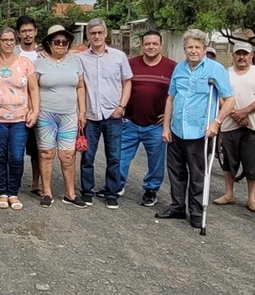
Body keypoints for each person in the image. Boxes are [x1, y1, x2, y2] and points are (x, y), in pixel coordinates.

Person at [158, 30, 233, 227]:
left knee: (198, 174)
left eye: (197, 47)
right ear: (184, 49)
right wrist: (166, 126)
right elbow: (171, 98)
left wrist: (216, 122)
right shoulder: (179, 69)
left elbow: (230, 100)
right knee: (175, 171)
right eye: (189, 47)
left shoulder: (215, 69)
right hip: (177, 130)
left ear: (204, 49)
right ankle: (177, 207)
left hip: (200, 132)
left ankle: (197, 211)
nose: (193, 51)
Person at [77, 18, 133, 209]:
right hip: (91, 115)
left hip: (113, 114)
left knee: (114, 156)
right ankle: (87, 191)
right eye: (93, 33)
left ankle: (112, 192)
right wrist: (81, 112)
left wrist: (122, 106)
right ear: (88, 36)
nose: (97, 36)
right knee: (87, 156)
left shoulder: (119, 56)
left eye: (100, 32)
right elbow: (80, 86)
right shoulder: (82, 58)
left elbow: (127, 82)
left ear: (106, 33)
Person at [119, 31, 176, 208]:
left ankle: (151, 190)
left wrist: (169, 116)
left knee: (156, 162)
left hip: (156, 125)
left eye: (154, 44)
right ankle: (116, 185)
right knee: (120, 157)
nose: (151, 47)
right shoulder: (130, 64)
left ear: (161, 46)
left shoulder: (172, 67)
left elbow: (177, 94)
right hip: (130, 122)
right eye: (147, 44)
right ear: (142, 45)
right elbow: (121, 86)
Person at [34, 25, 87, 208]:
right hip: (46, 114)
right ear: (49, 43)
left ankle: (70, 193)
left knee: (67, 155)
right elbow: (33, 88)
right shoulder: (38, 62)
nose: (61, 45)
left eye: (65, 42)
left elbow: (80, 87)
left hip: (69, 115)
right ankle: (47, 192)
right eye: (57, 41)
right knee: (46, 153)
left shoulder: (75, 61)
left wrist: (82, 111)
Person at [0, 27, 38, 210]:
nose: (8, 43)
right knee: (0, 155)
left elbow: (33, 89)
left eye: (11, 40)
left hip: (20, 117)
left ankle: (13, 192)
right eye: (4, 40)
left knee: (16, 156)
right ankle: (2, 192)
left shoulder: (25, 63)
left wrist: (35, 110)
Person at [215, 42, 255, 214]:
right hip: (230, 124)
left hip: (253, 125)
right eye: (238, 53)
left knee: (253, 162)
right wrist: (234, 114)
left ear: (251, 55)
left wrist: (244, 113)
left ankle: (251, 198)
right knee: (229, 161)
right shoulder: (225, 73)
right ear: (233, 55)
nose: (241, 57)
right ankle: (229, 194)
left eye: (245, 53)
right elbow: (221, 96)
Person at [15, 15, 44, 197]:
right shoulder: (14, 52)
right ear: (18, 34)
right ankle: (13, 183)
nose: (27, 34)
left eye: (30, 31)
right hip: (17, 106)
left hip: (39, 105)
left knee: (38, 148)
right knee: (16, 149)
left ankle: (35, 183)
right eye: (24, 31)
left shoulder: (43, 53)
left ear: (35, 32)